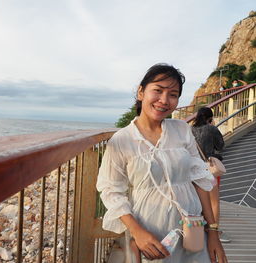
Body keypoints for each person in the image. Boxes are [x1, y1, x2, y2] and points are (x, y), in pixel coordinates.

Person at [96, 63, 227, 262]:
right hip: (151, 234)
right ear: (141, 92)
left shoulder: (182, 130)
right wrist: (137, 232)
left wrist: (213, 232)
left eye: (173, 95)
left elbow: (198, 180)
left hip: (192, 229)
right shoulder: (122, 140)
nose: (164, 100)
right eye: (158, 91)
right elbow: (111, 190)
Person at [192, 107, 230, 243]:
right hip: (209, 169)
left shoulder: (190, 130)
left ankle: (200, 228)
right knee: (214, 201)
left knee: (197, 200)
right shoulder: (211, 129)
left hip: (194, 170)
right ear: (210, 118)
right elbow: (221, 146)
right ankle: (215, 231)